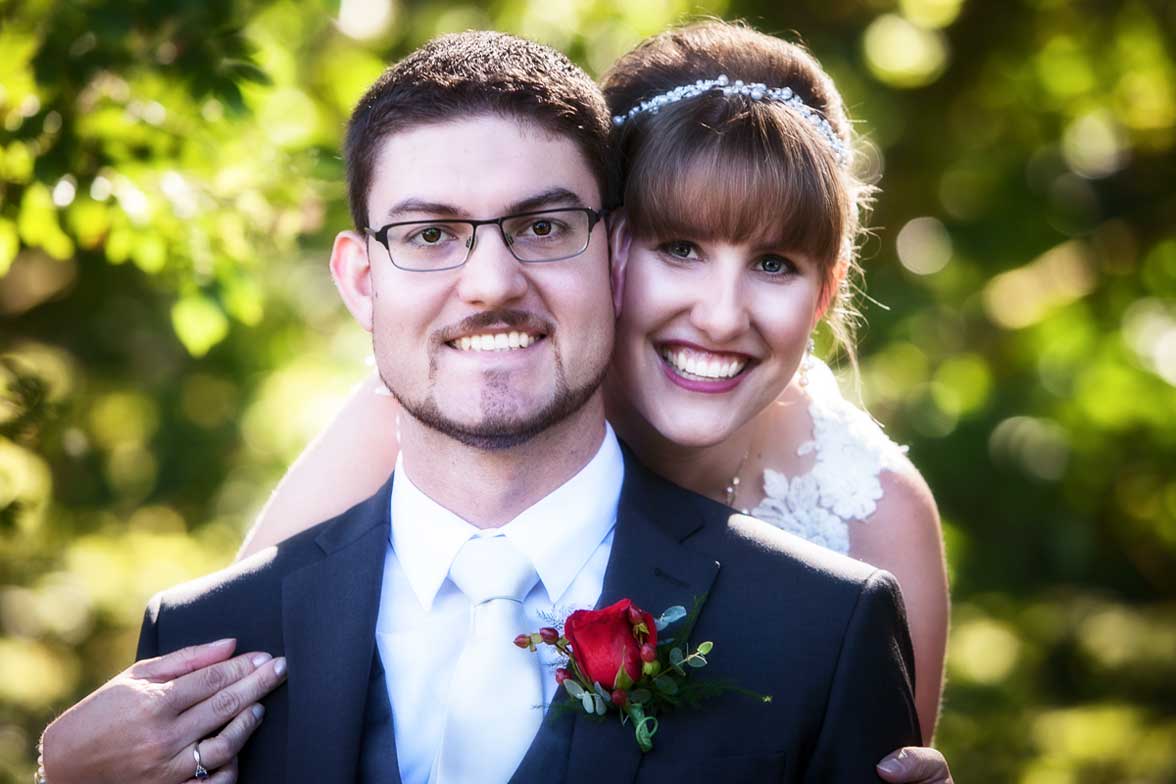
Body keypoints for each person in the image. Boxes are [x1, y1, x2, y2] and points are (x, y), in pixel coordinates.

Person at [38, 22, 953, 784]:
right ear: (617, 249)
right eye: (680, 248)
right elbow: (246, 659)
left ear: (829, 287)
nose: (718, 316)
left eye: (774, 263)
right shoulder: (441, 392)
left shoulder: (860, 535)